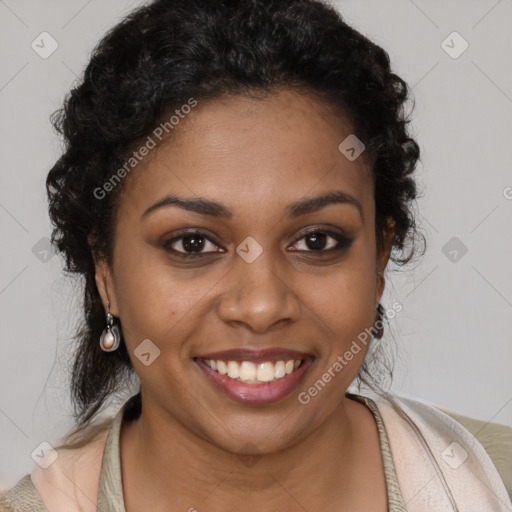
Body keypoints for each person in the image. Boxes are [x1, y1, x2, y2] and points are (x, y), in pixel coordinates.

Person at [1, 0, 510, 510]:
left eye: (316, 240)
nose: (262, 306)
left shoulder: (495, 483)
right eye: (193, 243)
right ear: (105, 271)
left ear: (378, 259)